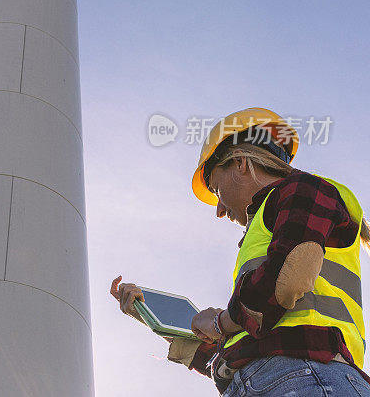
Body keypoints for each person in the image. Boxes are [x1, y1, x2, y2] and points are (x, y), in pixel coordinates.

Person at [111, 107, 370, 396]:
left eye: (216, 189)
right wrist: (154, 319)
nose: (219, 210)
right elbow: (238, 354)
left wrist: (221, 322)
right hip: (286, 378)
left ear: (240, 163)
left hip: (306, 375)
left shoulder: (304, 189)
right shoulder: (264, 229)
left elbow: (287, 281)